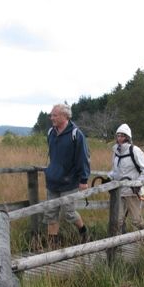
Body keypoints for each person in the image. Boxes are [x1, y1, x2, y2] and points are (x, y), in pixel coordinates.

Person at [43, 103, 90, 247]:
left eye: (54, 115)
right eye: (51, 115)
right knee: (51, 213)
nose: (52, 118)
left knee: (69, 213)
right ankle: (52, 245)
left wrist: (83, 179)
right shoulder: (51, 132)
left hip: (69, 181)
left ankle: (84, 233)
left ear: (65, 116)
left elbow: (83, 157)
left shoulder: (76, 134)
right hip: (53, 181)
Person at [107, 124, 144, 232]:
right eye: (118, 135)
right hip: (119, 191)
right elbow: (115, 170)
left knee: (136, 220)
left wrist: (137, 184)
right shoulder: (116, 152)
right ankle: (115, 246)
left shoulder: (135, 150)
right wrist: (109, 177)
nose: (120, 138)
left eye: (122, 136)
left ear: (128, 137)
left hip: (132, 192)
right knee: (117, 220)